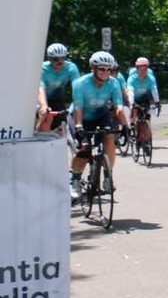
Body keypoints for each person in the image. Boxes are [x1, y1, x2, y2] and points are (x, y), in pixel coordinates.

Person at [70, 51, 128, 199]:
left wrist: (125, 126)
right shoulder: (80, 83)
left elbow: (118, 107)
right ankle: (75, 180)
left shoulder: (113, 82)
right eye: (102, 69)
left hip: (101, 115)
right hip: (80, 117)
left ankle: (108, 177)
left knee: (109, 138)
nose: (106, 72)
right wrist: (79, 127)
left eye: (109, 69)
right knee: (84, 148)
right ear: (93, 68)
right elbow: (78, 108)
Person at [36, 43, 80, 132]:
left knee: (61, 123)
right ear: (49, 58)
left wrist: (78, 104)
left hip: (56, 97)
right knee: (46, 114)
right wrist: (44, 106)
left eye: (63, 58)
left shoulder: (71, 68)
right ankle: (38, 134)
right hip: (40, 97)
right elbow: (41, 88)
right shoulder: (43, 68)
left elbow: (78, 88)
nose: (60, 62)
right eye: (56, 59)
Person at [127, 57, 161, 147]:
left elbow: (154, 90)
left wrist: (157, 102)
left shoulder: (150, 78)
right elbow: (130, 91)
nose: (143, 71)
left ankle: (145, 139)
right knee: (133, 110)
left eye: (145, 69)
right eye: (141, 69)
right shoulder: (132, 78)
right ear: (136, 69)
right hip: (134, 98)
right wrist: (131, 103)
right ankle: (132, 126)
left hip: (145, 98)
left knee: (147, 117)